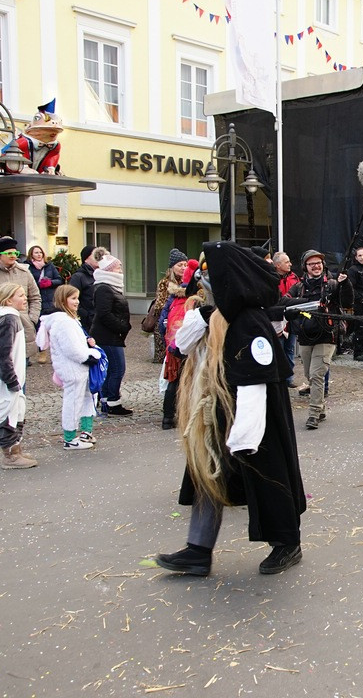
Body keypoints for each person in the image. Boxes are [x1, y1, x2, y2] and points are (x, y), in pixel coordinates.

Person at [156, 240, 305, 577]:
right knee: (205, 477)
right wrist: (203, 316)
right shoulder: (217, 315)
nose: (202, 281)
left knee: (269, 480)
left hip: (251, 423)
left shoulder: (250, 322)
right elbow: (180, 346)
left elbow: (255, 380)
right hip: (218, 413)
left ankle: (287, 543)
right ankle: (198, 550)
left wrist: (244, 436)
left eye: (209, 274)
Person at [283, 249, 352, 429]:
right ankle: (320, 408)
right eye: (311, 263)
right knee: (309, 375)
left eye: (319, 262)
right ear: (305, 267)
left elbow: (347, 301)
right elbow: (284, 302)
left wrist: (345, 284)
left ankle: (314, 414)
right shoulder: (298, 287)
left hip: (327, 336)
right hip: (305, 337)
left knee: (316, 374)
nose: (316, 266)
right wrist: (304, 306)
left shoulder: (332, 284)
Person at [0, 284, 36, 469]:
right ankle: (10, 455)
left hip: (11, 377)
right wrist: (11, 380)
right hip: (7, 379)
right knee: (8, 415)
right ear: (9, 300)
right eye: (20, 295)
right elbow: (2, 354)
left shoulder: (10, 317)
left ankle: (15, 449)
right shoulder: (8, 319)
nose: (25, 298)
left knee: (17, 412)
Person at [39, 285, 101, 449]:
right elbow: (72, 348)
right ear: (63, 300)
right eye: (73, 298)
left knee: (87, 398)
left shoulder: (70, 319)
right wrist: (89, 356)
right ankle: (70, 437)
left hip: (80, 368)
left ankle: (86, 431)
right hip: (73, 369)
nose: (77, 302)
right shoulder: (64, 322)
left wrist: (88, 345)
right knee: (73, 402)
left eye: (77, 298)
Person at [159, 259, 200, 429]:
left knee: (173, 380)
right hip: (189, 346)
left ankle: (168, 418)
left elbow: (163, 320)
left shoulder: (173, 297)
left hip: (173, 346)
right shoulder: (196, 299)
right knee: (190, 380)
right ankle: (187, 415)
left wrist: (169, 341)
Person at [90, 254, 132, 416]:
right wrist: (122, 326)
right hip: (107, 336)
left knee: (113, 369)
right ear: (109, 269)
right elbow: (104, 313)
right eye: (117, 266)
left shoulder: (110, 286)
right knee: (117, 369)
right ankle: (113, 402)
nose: (121, 269)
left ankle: (107, 401)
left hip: (111, 335)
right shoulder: (104, 288)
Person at [150, 249, 188, 363]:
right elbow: (160, 305)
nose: (183, 268)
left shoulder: (189, 282)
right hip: (167, 323)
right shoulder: (165, 283)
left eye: (185, 265)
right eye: (180, 265)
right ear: (172, 267)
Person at [273, 252, 300, 388]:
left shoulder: (294, 278)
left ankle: (288, 378)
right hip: (277, 319)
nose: (290, 264)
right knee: (280, 349)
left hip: (291, 318)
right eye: (286, 262)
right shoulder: (271, 279)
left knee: (290, 349)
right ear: (278, 265)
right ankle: (280, 379)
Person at [25, 245, 64, 328]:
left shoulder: (49, 265)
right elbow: (27, 282)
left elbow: (59, 280)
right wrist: (39, 284)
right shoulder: (27, 267)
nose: (39, 254)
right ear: (31, 254)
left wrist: (50, 283)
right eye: (36, 253)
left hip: (51, 300)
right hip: (37, 299)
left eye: (40, 252)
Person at [68, 245, 100, 331]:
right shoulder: (78, 277)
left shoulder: (102, 275)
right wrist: (86, 315)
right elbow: (71, 298)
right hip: (87, 323)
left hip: (101, 321)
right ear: (86, 259)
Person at [346, 247, 363, 364]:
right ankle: (358, 352)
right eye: (359, 255)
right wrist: (360, 299)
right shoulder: (353, 270)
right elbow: (351, 288)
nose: (362, 257)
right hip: (359, 303)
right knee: (360, 327)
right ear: (355, 257)